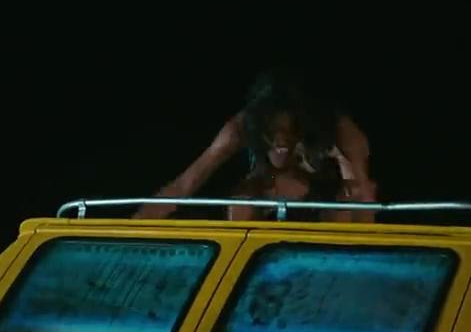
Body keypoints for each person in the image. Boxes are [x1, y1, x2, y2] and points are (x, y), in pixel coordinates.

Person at [134, 69, 377, 223]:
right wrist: (133, 228)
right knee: (244, 197)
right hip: (267, 190)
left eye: (289, 132)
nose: (281, 141)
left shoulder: (340, 130)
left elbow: (364, 195)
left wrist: (364, 251)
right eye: (272, 132)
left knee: (344, 203)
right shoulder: (239, 128)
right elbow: (184, 185)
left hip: (325, 193)